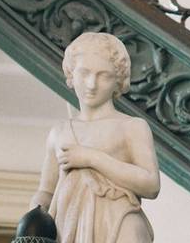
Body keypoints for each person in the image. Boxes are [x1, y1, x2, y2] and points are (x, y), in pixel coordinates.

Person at [30, 32, 160, 242]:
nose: (91, 84)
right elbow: (46, 191)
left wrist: (91, 158)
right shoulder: (59, 132)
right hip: (69, 226)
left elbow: (150, 184)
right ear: (72, 74)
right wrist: (33, 215)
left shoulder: (131, 126)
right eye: (84, 73)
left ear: (118, 80)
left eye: (104, 75)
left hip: (119, 222)